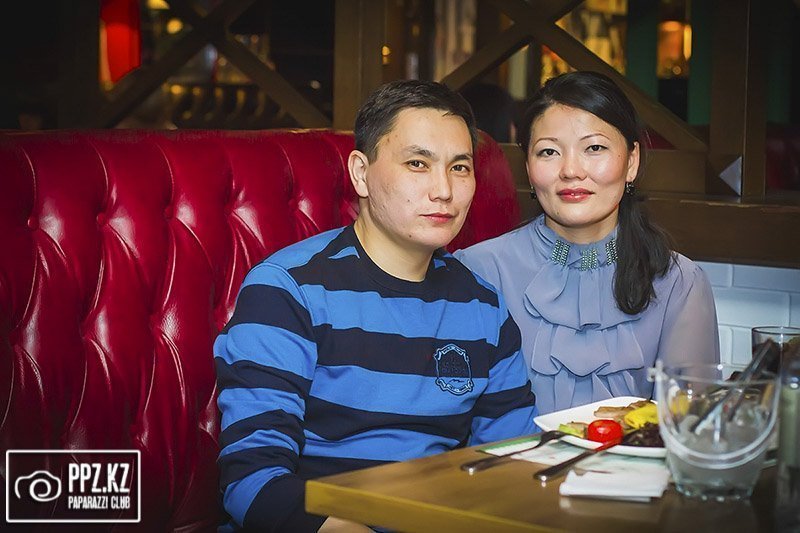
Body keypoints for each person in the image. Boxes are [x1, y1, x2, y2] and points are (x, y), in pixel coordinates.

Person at [214, 79, 537, 532]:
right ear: (361, 173)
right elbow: (252, 481)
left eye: (459, 167)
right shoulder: (288, 290)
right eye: (417, 163)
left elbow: (512, 465)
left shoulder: (484, 307)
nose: (443, 190)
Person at [455, 71, 720, 415]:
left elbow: (689, 425)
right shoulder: (478, 270)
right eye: (548, 151)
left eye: (594, 148)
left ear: (632, 162)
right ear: (529, 167)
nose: (571, 170)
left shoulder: (679, 282)